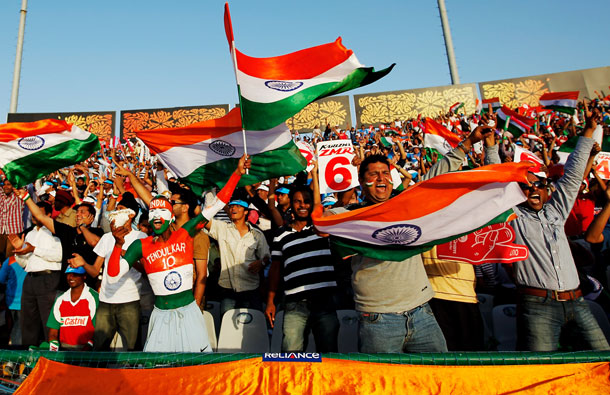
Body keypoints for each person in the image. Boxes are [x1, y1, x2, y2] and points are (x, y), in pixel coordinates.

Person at [324, 121, 494, 353]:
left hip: (422, 312)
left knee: (436, 380)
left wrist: (469, 142)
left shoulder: (406, 205)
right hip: (378, 318)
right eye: (373, 175)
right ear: (362, 183)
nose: (381, 179)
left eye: (385, 173)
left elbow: (436, 175)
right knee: (386, 386)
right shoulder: (352, 215)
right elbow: (323, 224)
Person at [485, 103, 609, 351]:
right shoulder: (513, 217)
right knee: (544, 367)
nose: (533, 188)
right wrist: (490, 147)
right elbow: (496, 182)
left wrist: (588, 130)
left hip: (577, 301)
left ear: (546, 189)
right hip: (537, 306)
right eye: (527, 185)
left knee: (603, 362)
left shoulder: (557, 211)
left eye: (538, 184)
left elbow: (573, 175)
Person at [107, 155, 249, 352]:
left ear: (171, 215)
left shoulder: (185, 233)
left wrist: (237, 173)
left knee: (196, 368)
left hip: (189, 311)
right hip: (160, 315)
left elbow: (216, 205)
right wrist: (117, 245)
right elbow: (113, 276)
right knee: (159, 371)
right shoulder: (140, 245)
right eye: (152, 212)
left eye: (162, 211)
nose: (156, 215)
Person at [266, 178, 340, 352]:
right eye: (297, 201)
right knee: (291, 356)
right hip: (294, 303)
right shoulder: (280, 235)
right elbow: (275, 270)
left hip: (324, 301)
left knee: (329, 355)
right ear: (291, 204)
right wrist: (270, 301)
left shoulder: (322, 229)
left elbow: (342, 201)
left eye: (307, 201)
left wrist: (315, 173)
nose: (302, 205)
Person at [69, 193, 146, 351]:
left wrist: (127, 255)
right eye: (115, 209)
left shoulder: (141, 237)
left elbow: (146, 270)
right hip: (106, 301)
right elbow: (95, 271)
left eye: (121, 209)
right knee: (99, 349)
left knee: (132, 350)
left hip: (130, 301)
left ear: (131, 215)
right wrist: (83, 263)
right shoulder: (106, 238)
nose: (116, 213)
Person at [9, 201, 63, 347]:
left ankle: (50, 358)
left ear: (48, 215)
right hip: (30, 279)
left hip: (49, 278)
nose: (34, 215)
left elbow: (59, 256)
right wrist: (19, 251)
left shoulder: (55, 232)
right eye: (33, 212)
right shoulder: (29, 234)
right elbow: (25, 263)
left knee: (48, 321)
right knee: (28, 321)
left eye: (38, 211)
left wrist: (34, 249)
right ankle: (28, 358)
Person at [205, 197, 270, 317]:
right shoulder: (222, 228)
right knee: (227, 326)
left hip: (251, 289)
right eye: (231, 206)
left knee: (252, 327)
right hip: (227, 289)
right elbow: (204, 219)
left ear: (246, 212)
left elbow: (266, 256)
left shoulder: (257, 234)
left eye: (238, 206)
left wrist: (261, 263)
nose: (233, 208)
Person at [46, 266, 99, 351]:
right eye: (68, 274)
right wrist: (54, 352)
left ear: (84, 276)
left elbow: (99, 331)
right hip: (64, 349)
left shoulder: (94, 298)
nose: (70, 277)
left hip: (87, 350)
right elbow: (53, 333)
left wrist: (86, 350)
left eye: (75, 274)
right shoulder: (60, 299)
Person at [0, 179, 24, 263]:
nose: (5, 186)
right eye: (4, 184)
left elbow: (21, 187)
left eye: (8, 184)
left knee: (9, 257)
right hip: (1, 230)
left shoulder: (18, 197)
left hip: (13, 232)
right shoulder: (2, 196)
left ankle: (8, 274)